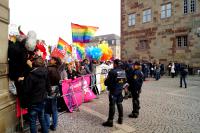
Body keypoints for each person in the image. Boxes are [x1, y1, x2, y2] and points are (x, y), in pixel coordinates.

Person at [24, 56, 51, 133]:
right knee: (41, 118)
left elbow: (27, 89)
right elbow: (48, 85)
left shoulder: (31, 75)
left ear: (34, 63)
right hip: (42, 99)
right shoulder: (45, 72)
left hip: (33, 101)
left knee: (33, 121)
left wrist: (22, 82)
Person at [102, 59, 127, 127]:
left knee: (112, 105)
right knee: (119, 104)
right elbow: (124, 82)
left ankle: (110, 121)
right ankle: (120, 119)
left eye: (113, 63)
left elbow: (107, 82)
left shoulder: (112, 72)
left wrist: (105, 80)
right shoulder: (123, 71)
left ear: (115, 64)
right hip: (119, 90)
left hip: (113, 91)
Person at [44, 57, 61, 131]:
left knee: (46, 110)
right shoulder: (57, 69)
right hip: (55, 90)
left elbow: (45, 80)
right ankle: (54, 126)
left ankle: (47, 127)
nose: (50, 60)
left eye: (52, 59)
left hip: (49, 90)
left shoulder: (49, 69)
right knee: (54, 109)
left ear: (55, 61)